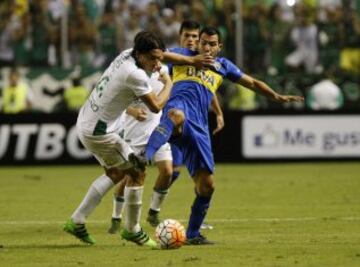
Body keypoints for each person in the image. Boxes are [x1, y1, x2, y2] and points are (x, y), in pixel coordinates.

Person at [145, 27, 304, 245]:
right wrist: (192, 60)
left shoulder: (223, 66)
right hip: (179, 109)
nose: (207, 47)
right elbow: (161, 55)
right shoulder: (184, 55)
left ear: (219, 46)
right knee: (176, 115)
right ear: (198, 43)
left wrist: (276, 96)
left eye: (212, 44)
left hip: (200, 127)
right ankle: (146, 154)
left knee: (207, 186)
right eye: (203, 42)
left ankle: (192, 235)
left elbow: (253, 83)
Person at [63, 31, 212, 247]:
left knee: (116, 173)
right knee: (137, 171)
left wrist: (190, 60)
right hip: (101, 132)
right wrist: (170, 82)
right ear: (140, 55)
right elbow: (156, 106)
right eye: (152, 58)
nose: (157, 63)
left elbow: (167, 56)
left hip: (88, 121)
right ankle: (132, 230)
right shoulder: (135, 75)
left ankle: (77, 220)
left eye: (159, 57)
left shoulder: (127, 54)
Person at [107, 20, 219, 233]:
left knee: (168, 171)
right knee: (130, 175)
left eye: (196, 37)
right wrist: (131, 111)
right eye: (188, 36)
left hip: (164, 127)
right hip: (136, 129)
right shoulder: (142, 70)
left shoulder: (180, 68)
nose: (192, 40)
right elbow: (120, 99)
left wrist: (218, 112)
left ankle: (153, 213)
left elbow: (207, 86)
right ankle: (117, 216)